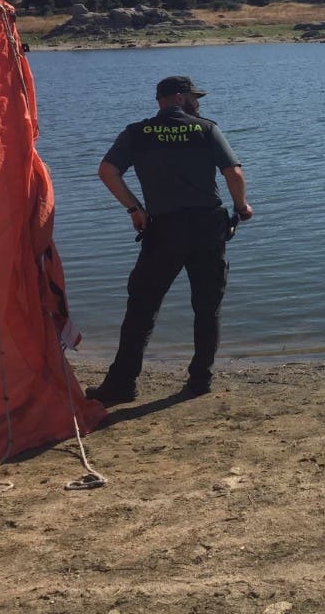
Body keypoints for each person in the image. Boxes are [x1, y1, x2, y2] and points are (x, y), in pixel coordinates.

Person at [86, 76, 253, 405]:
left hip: (163, 230)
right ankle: (200, 379)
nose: (198, 103)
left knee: (141, 308)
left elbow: (107, 170)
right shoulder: (206, 129)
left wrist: (134, 208)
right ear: (178, 97)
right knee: (206, 307)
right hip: (207, 228)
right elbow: (233, 173)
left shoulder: (137, 132)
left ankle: (122, 385)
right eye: (194, 97)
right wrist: (241, 207)